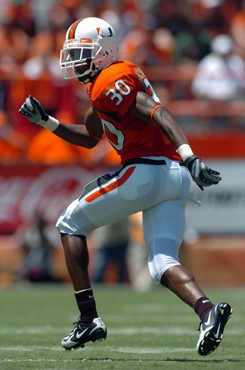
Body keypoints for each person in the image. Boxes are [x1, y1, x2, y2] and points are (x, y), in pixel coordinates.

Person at [19, 17, 232, 355]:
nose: (74, 60)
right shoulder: (104, 87)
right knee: (162, 262)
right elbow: (90, 137)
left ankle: (88, 318)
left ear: (103, 53)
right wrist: (46, 121)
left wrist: (190, 154)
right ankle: (208, 312)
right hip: (174, 178)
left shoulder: (111, 81)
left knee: (69, 223)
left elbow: (157, 112)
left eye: (81, 52)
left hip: (147, 172)